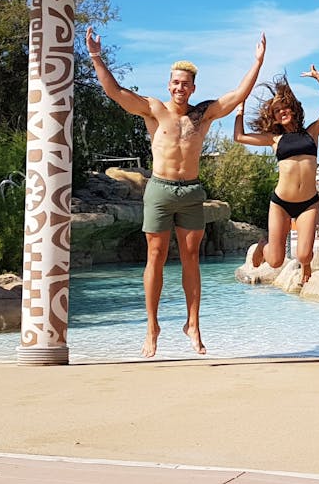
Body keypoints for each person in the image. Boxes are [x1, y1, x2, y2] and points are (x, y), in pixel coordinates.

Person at [86, 27, 265, 358]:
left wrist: (258, 61)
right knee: (155, 255)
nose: (180, 87)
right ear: (169, 85)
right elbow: (114, 91)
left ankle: (193, 324)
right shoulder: (154, 109)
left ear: (193, 87)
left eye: (186, 83)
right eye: (176, 82)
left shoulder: (202, 114)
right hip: (160, 190)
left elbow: (237, 95)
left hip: (192, 191)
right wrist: (96, 56)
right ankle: (152, 326)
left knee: (191, 258)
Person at [233, 67, 319, 284]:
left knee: (304, 255)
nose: (282, 112)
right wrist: (239, 109)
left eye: (285, 107)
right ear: (275, 117)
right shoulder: (274, 139)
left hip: (308, 202)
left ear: (293, 108)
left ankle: (306, 265)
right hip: (281, 203)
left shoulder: (312, 132)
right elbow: (239, 136)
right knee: (276, 261)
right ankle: (262, 246)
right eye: (277, 111)